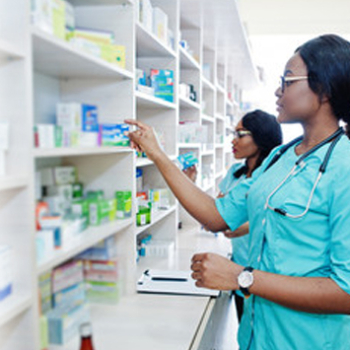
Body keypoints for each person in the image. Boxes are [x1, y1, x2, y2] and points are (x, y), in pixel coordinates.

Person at [126, 34, 350, 350]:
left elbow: (346, 292)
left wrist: (242, 277)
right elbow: (218, 216)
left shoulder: (345, 167)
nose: (277, 90)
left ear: (324, 89)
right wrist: (158, 155)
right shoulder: (279, 157)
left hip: (307, 342)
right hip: (255, 337)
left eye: (287, 80)